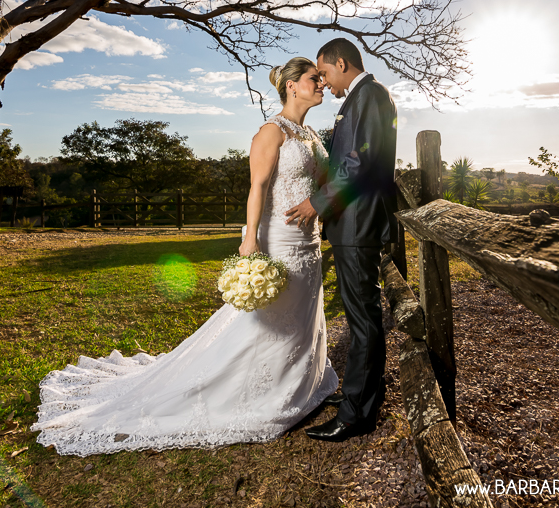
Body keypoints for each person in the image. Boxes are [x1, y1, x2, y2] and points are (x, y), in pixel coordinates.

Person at [30, 57, 339, 455]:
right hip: (278, 239)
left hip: (308, 241)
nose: (321, 83)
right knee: (266, 322)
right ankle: (249, 393)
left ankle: (300, 383)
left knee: (300, 317)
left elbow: (322, 185)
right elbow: (257, 188)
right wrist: (250, 242)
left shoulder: (311, 134)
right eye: (314, 78)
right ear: (292, 86)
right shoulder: (270, 132)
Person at [286, 37, 398, 442]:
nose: (325, 82)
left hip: (358, 224)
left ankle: (356, 415)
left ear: (342, 62)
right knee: (360, 317)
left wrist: (317, 202)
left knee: (363, 320)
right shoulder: (362, 98)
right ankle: (357, 393)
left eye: (325, 73)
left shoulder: (369, 95)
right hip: (353, 223)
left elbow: (361, 160)